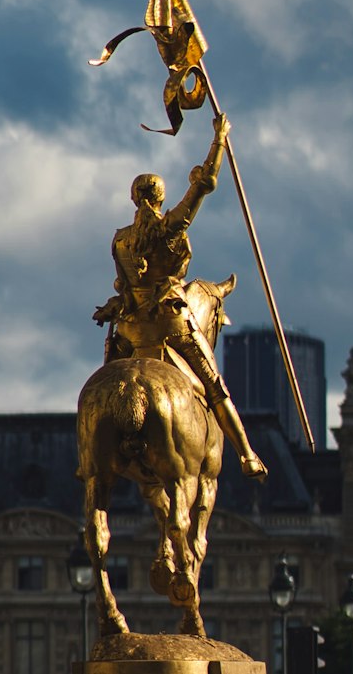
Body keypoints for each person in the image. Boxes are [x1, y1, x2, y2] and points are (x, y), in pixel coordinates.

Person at [94, 112, 266, 479]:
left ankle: (91, 456)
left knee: (106, 382)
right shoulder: (170, 226)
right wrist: (219, 140)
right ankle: (247, 454)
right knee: (216, 390)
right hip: (171, 325)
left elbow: (122, 290)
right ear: (160, 198)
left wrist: (113, 308)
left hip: (130, 328)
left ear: (133, 197)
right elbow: (205, 184)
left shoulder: (121, 238)